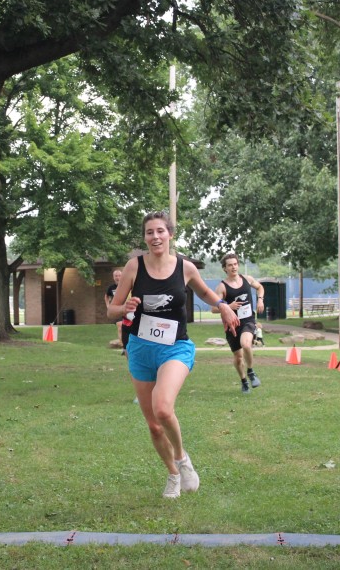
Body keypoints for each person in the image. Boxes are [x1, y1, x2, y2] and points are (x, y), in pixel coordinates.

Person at [108, 210, 240, 499]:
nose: (155, 237)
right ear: (145, 238)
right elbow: (112, 310)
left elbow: (204, 293)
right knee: (155, 427)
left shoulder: (185, 267)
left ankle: (181, 459)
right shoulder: (134, 267)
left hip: (175, 347)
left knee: (163, 409)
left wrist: (223, 306)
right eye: (149, 232)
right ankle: (172, 474)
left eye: (160, 231)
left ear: (169, 234)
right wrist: (124, 308)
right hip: (140, 349)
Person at [210, 252, 265, 394]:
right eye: (230, 265)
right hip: (232, 325)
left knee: (246, 344)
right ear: (225, 268)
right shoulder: (222, 287)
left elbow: (260, 287)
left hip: (248, 320)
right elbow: (213, 309)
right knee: (238, 357)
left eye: (235, 264)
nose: (233, 267)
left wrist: (260, 300)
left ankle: (251, 372)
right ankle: (244, 381)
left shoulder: (247, 279)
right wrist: (228, 307)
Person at [103, 269, 126, 350]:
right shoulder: (111, 288)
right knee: (120, 326)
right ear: (113, 277)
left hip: (126, 309)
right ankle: (123, 346)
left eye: (119, 276)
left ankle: (127, 344)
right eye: (116, 276)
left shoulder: (126, 286)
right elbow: (106, 296)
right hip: (117, 310)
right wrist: (108, 306)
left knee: (127, 327)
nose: (118, 277)